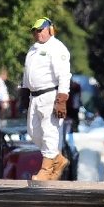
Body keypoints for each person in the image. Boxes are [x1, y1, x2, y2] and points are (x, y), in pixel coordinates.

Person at [19, 17, 72, 181]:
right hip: (34, 96)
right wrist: (24, 94)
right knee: (33, 131)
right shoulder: (33, 49)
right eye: (35, 30)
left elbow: (64, 75)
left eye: (40, 29)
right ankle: (58, 159)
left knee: (49, 131)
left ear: (50, 29)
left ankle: (46, 168)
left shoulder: (57, 48)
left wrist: (61, 99)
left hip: (50, 95)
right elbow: (27, 74)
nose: (38, 33)